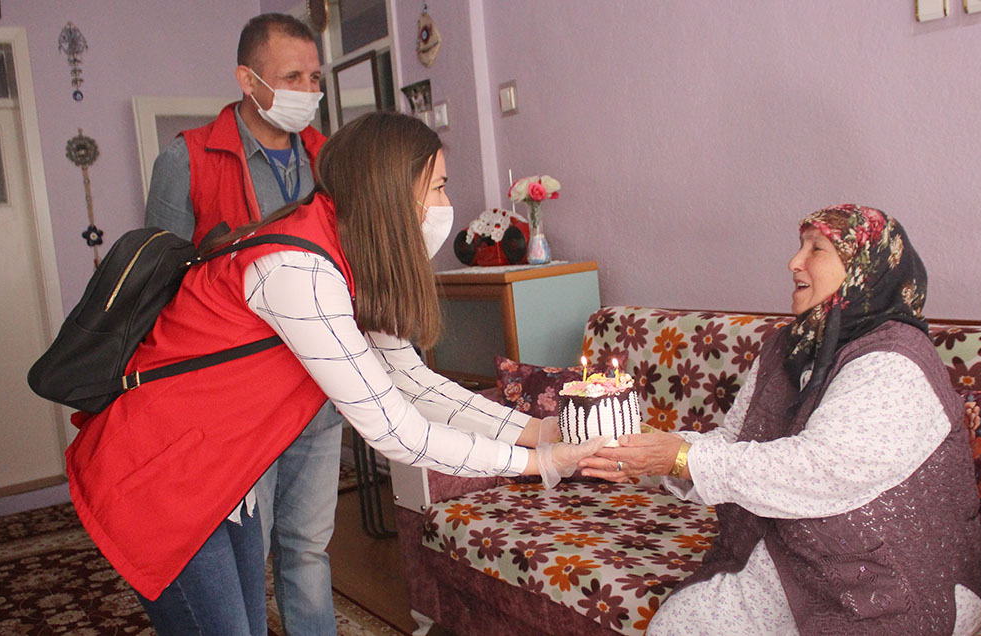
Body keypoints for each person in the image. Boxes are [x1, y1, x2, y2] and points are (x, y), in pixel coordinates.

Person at [69, 111, 603, 635]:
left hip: (223, 472)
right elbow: (397, 432)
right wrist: (537, 463)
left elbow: (413, 380)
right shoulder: (298, 269)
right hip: (156, 477)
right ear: (390, 190)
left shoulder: (348, 251)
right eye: (438, 187)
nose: (446, 206)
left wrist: (539, 430)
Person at [583, 204, 981, 635]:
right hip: (798, 550)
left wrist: (681, 458)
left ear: (864, 269)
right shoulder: (790, 345)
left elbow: (820, 470)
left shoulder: (895, 361)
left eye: (816, 248)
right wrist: (647, 449)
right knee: (680, 624)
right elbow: (734, 440)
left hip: (898, 572)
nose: (794, 261)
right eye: (800, 246)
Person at [142, 14, 338, 635]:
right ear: (248, 80)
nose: (308, 90)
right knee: (246, 556)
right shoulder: (188, 158)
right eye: (292, 77)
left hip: (318, 391)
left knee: (308, 550)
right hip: (239, 404)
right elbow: (157, 287)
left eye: (314, 77)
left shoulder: (328, 156)